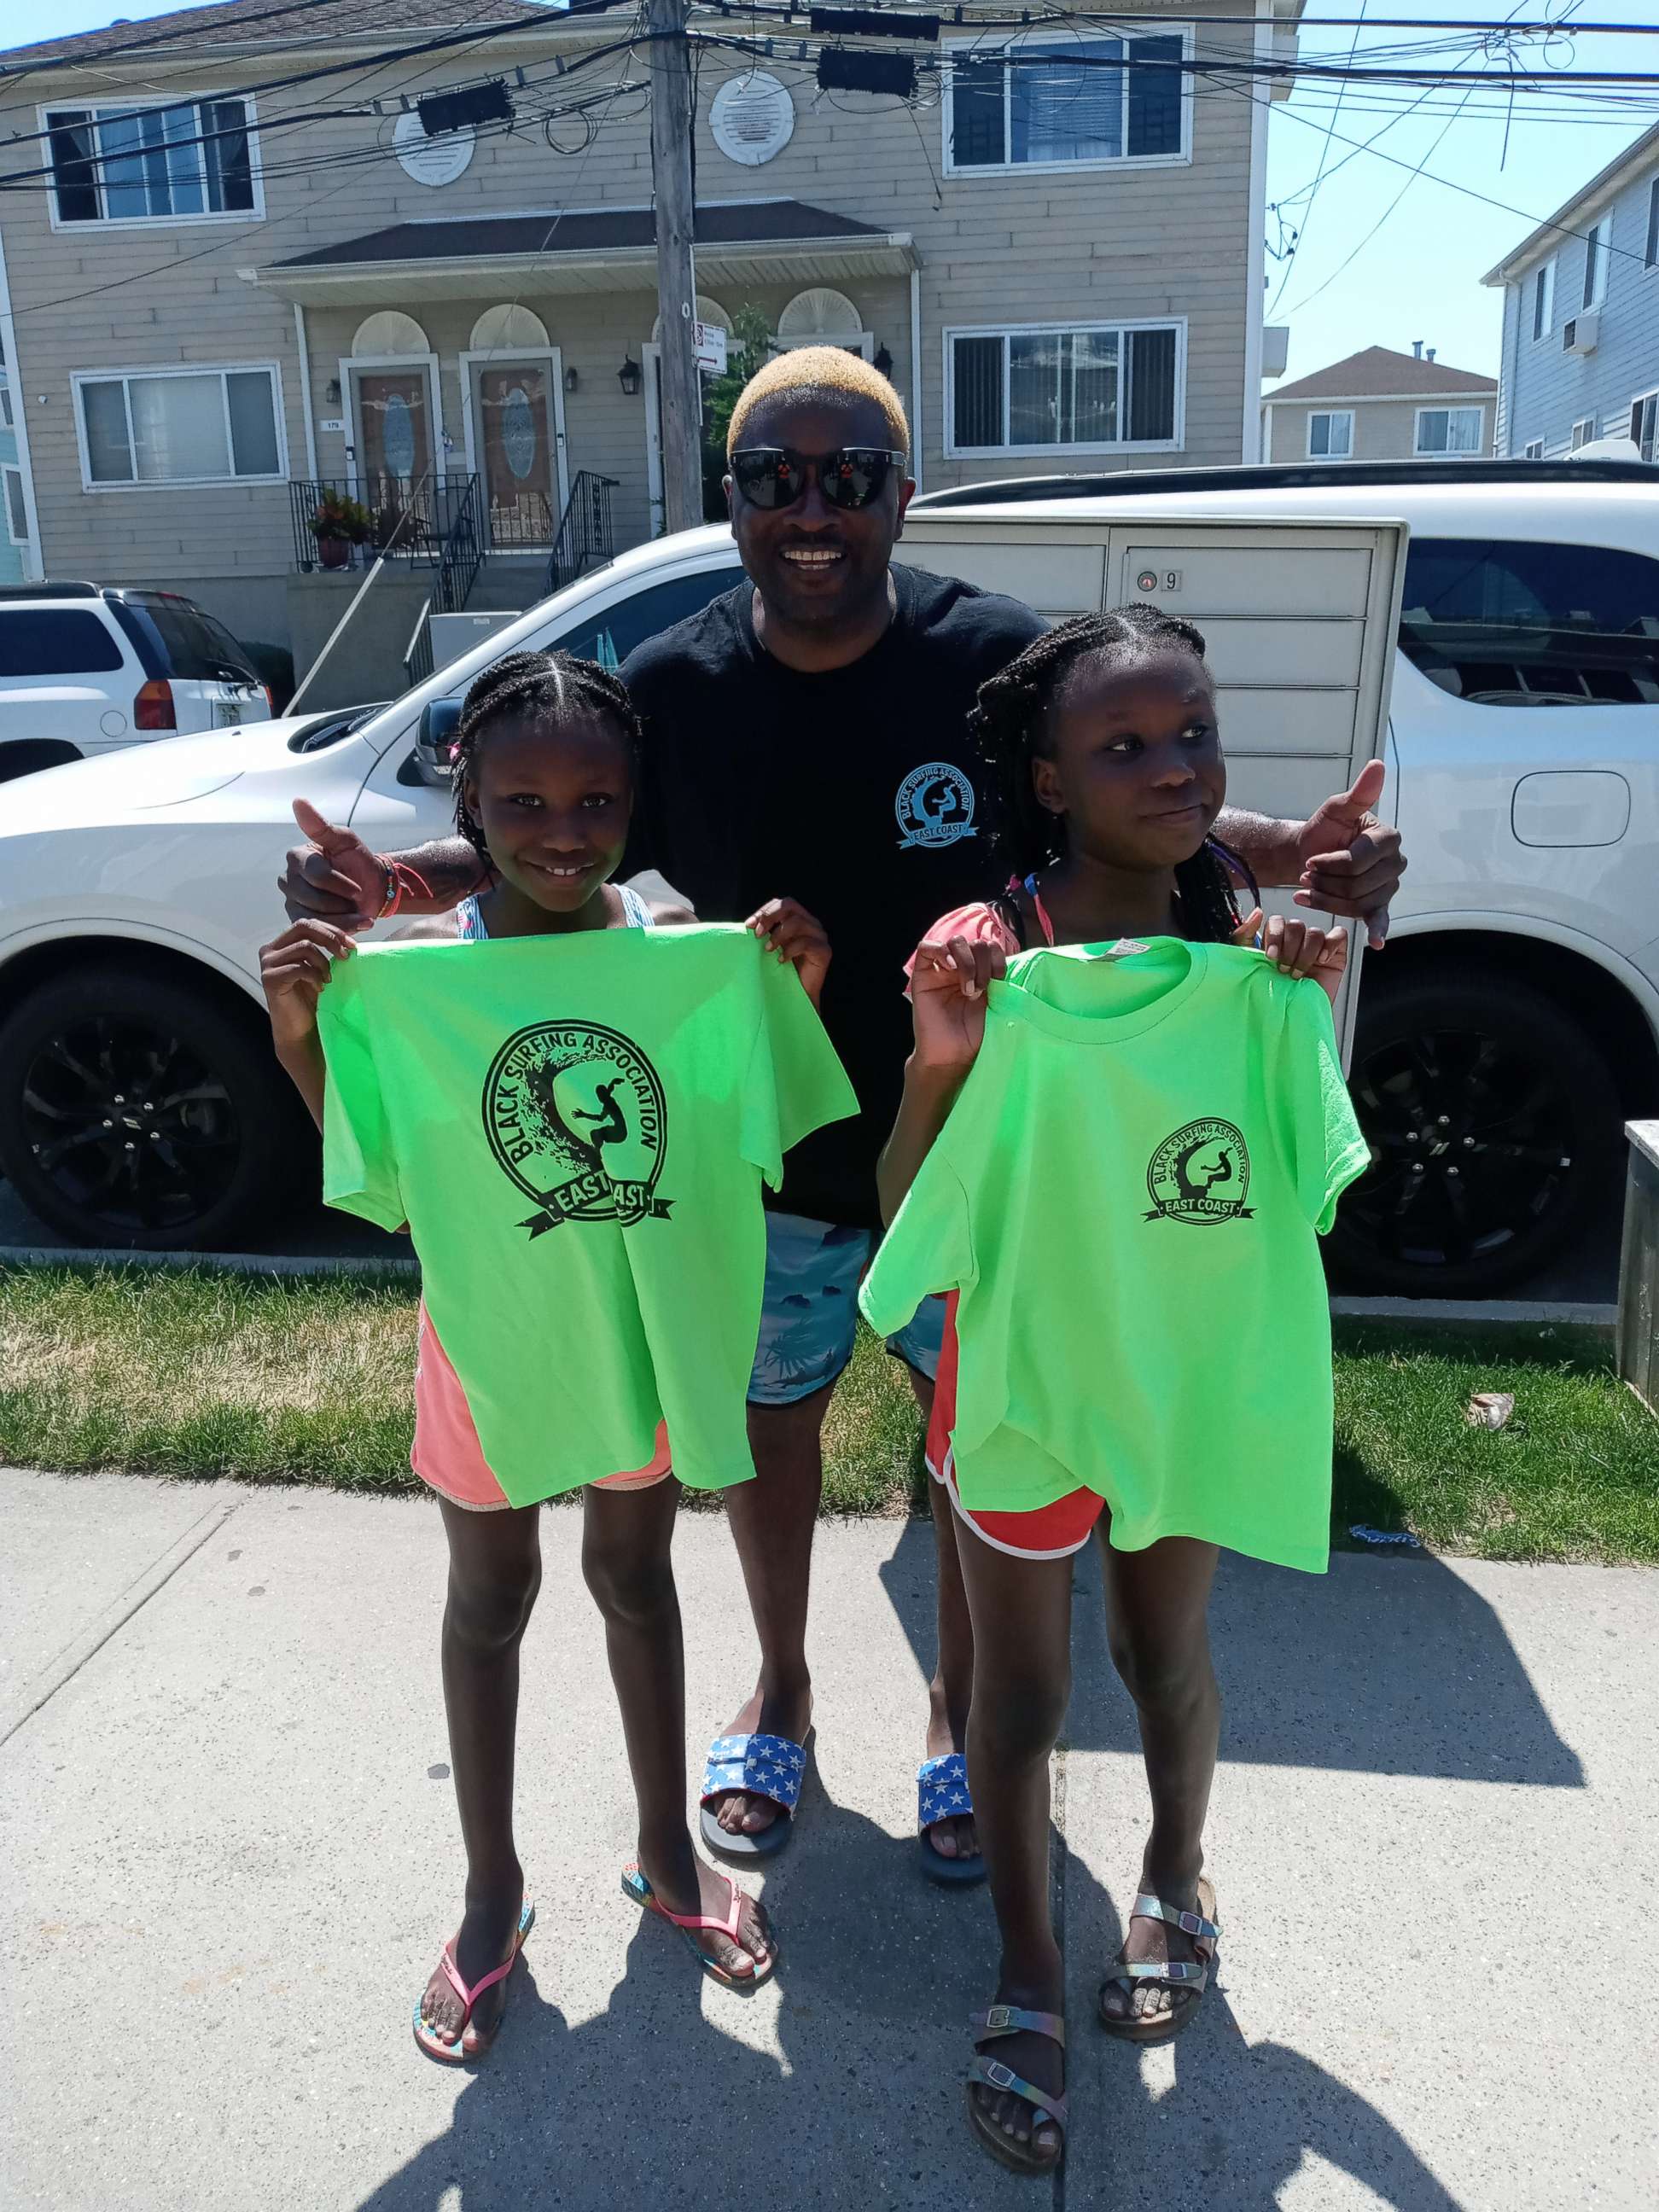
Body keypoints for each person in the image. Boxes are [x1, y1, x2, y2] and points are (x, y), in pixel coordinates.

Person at [278, 346, 1406, 1878]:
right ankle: (785, 1687)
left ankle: (954, 1714)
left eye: (849, 478)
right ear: (732, 499)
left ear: (900, 493)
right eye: (774, 479)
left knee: (972, 1455)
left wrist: (1296, 861)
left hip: (990, 1149)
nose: (812, 510)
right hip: (775, 1147)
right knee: (766, 1430)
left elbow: (1138, 789)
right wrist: (405, 887)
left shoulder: (990, 654)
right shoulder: (676, 684)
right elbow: (564, 837)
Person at [260, 649, 848, 2061]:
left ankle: (665, 1850)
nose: (564, 830)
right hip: (491, 1340)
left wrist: (794, 995)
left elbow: (746, 1116)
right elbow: (377, 1161)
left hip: (639, 1337)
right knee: (492, 1595)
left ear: (637, 806)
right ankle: (492, 1889)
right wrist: (298, 1030)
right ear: (466, 796)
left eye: (596, 799)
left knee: (637, 1579)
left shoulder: (684, 952)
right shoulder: (416, 982)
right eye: (523, 798)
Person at [863, 607, 1369, 2175]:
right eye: (1125, 746)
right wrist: (943, 1053)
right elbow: (902, 1205)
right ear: (1049, 776)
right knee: (1015, 1698)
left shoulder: (1250, 954)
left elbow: (1311, 1176)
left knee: (1166, 1655)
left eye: (1196, 733)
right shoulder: (990, 952)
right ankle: (1027, 1973)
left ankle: (1177, 1871)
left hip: (1183, 1383)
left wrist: (1304, 995)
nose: (1175, 767)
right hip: (1015, 1388)